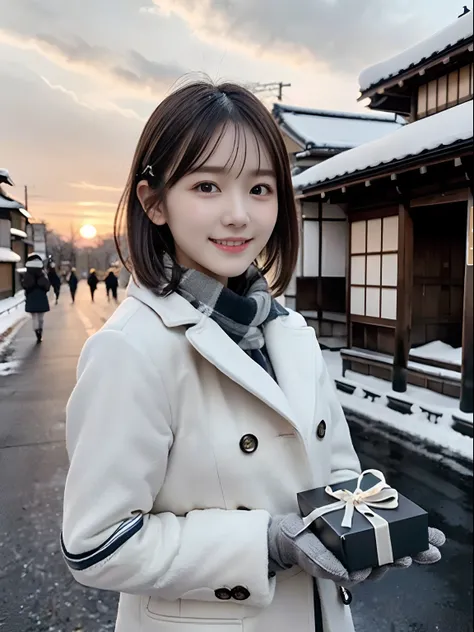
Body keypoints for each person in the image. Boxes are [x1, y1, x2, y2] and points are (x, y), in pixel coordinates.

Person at [61, 81, 445, 632]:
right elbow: (96, 544)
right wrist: (266, 545)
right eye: (207, 186)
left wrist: (369, 530)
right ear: (154, 202)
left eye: (260, 188)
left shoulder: (288, 330)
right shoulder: (132, 350)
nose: (239, 214)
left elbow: (338, 468)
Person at [22, 253, 50, 343]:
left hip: (31, 298)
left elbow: (25, 285)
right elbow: (47, 287)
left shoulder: (27, 275)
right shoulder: (42, 274)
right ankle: (40, 331)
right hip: (41, 298)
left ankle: (37, 332)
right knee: (41, 317)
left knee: (34, 317)